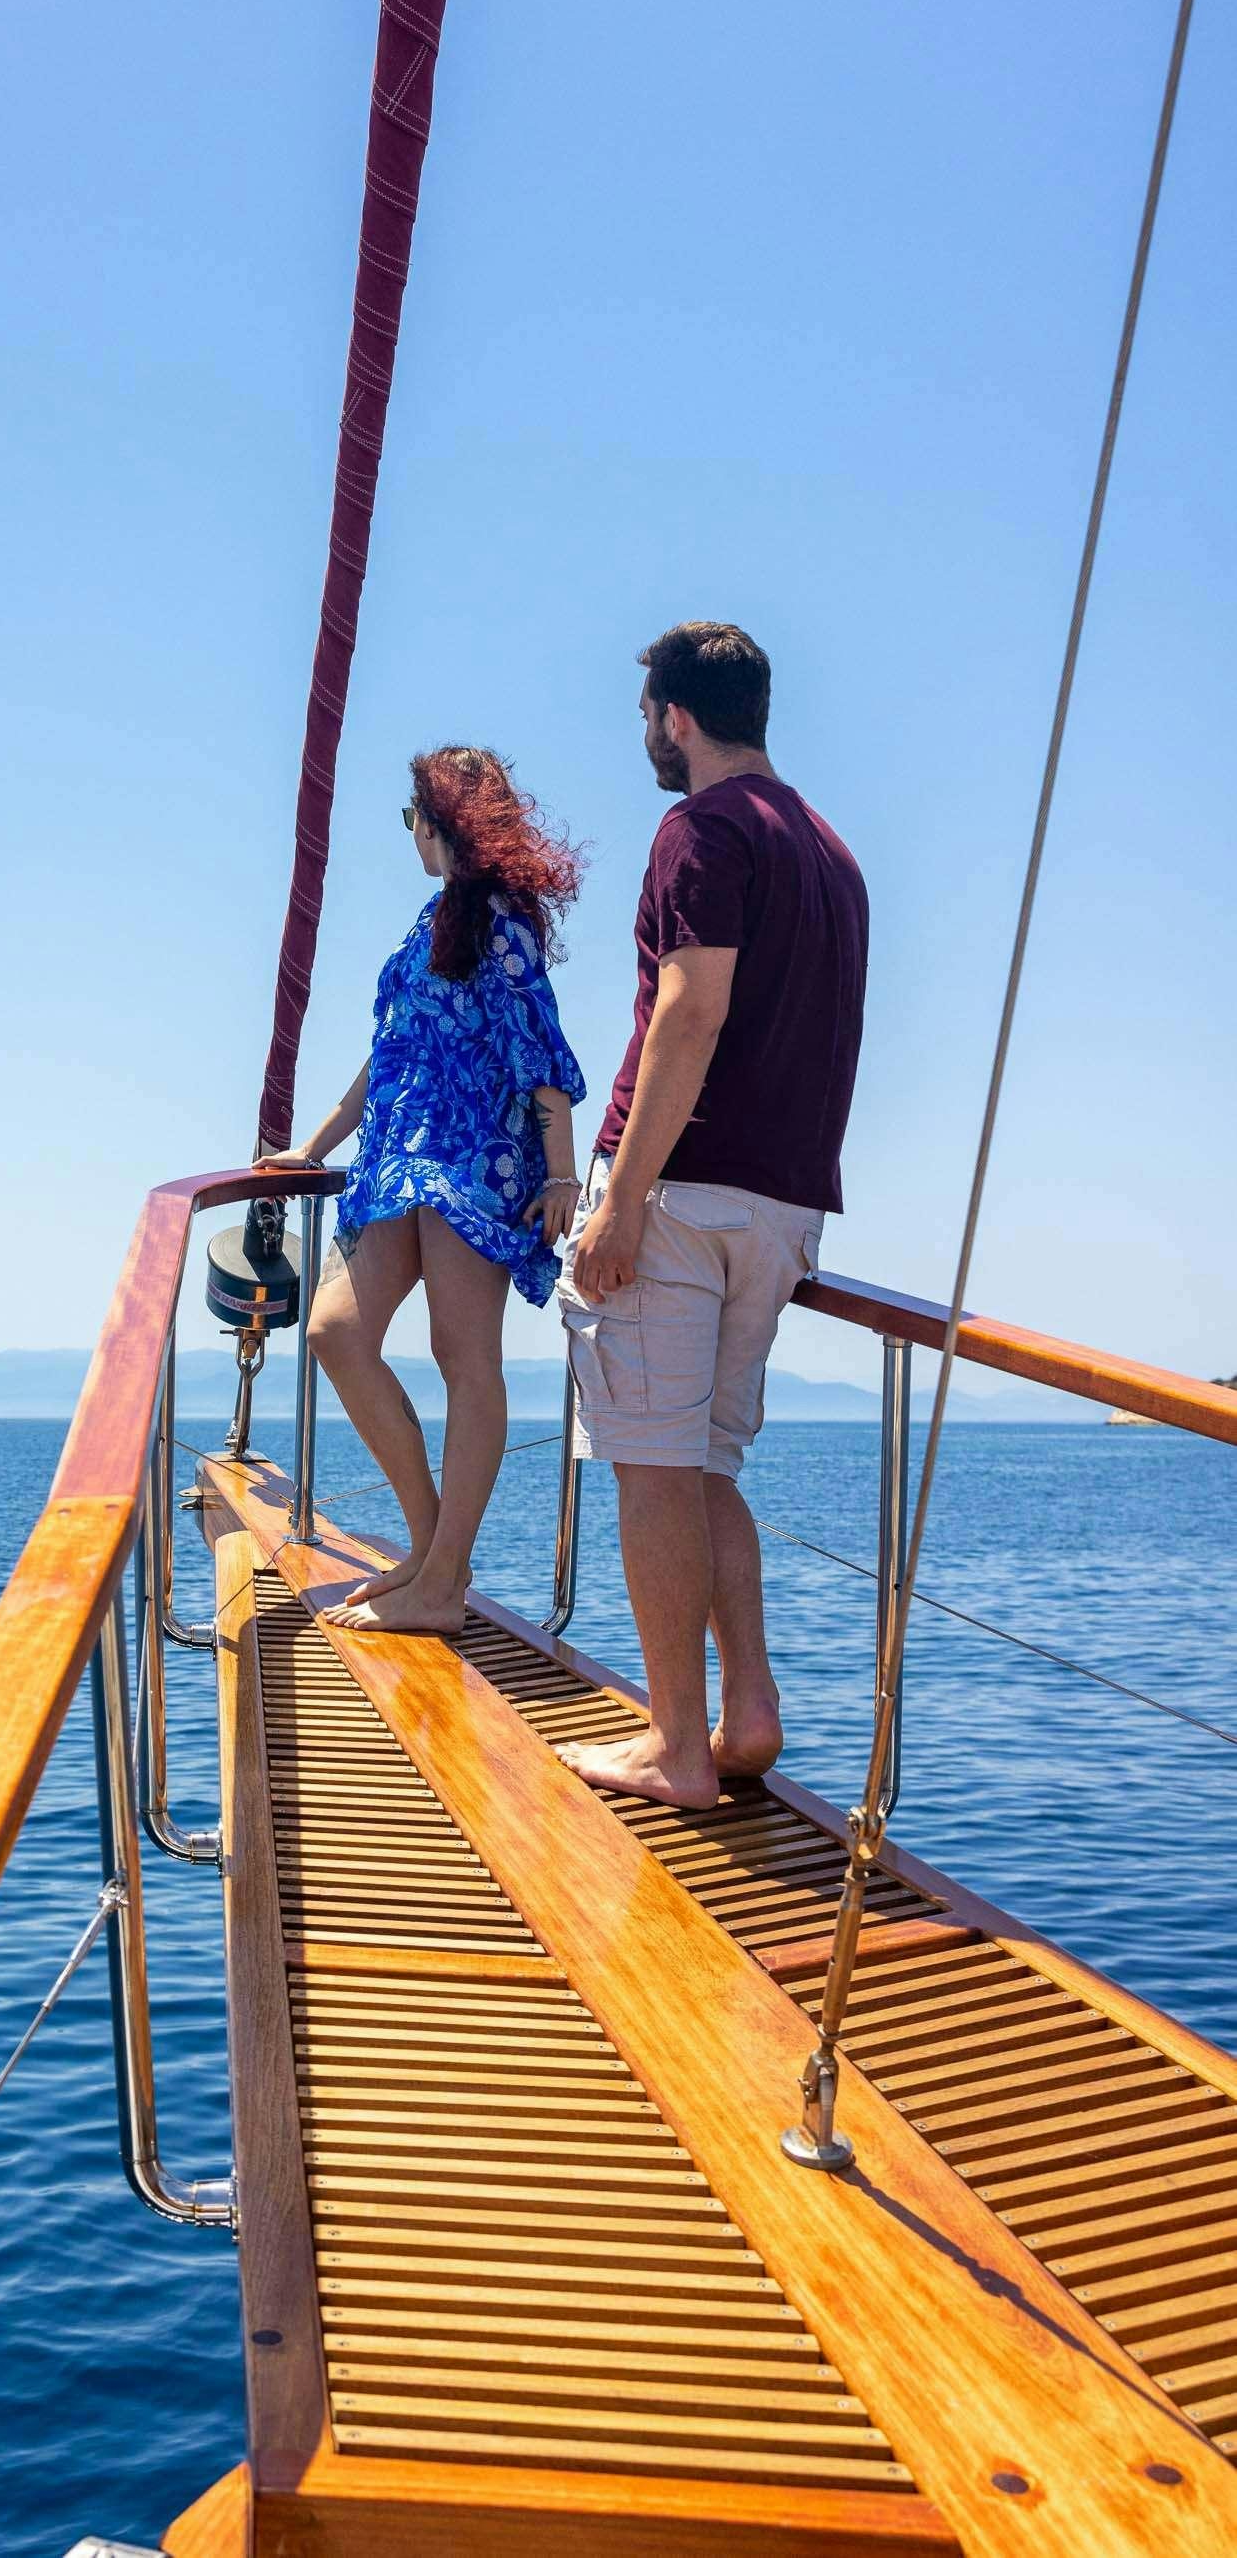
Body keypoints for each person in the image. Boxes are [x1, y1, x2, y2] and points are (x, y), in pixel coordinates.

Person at [557, 623, 867, 1808]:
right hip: (784, 1207)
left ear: (674, 717)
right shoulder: (828, 850)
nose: (644, 734)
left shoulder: (700, 828)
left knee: (647, 1468)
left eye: (647, 714)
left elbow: (689, 1010)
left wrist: (620, 1201)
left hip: (679, 1199)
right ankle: (745, 1713)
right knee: (704, 1466)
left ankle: (676, 1749)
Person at [270, 746, 586, 1636]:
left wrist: (561, 1174)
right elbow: (392, 1051)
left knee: (463, 1357)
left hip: (475, 1163)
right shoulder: (432, 920)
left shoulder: (502, 925)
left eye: (413, 818)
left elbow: (543, 1059)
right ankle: (427, 1549)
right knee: (337, 1329)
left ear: (441, 823)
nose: (410, 835)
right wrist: (313, 1147)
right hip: (399, 1161)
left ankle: (442, 1582)